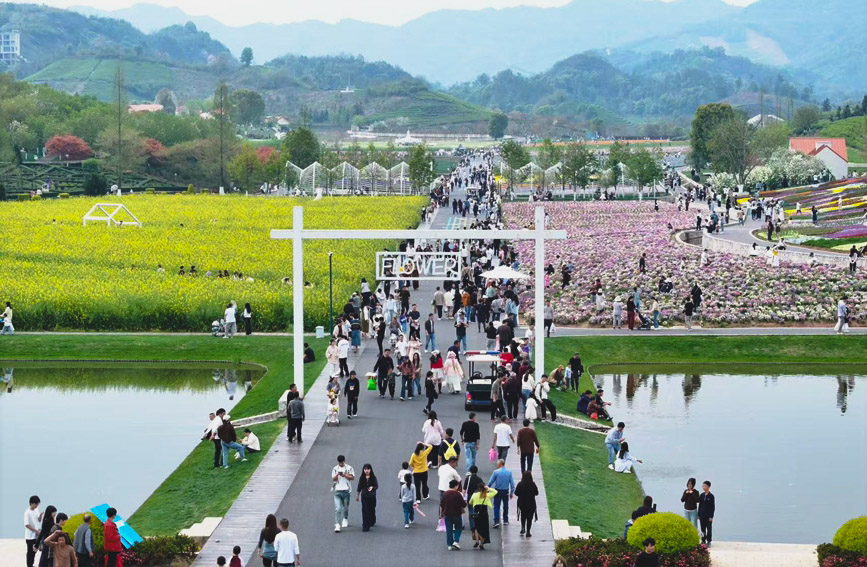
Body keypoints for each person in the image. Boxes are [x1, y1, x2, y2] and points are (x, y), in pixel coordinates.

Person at [440, 479, 467, 550]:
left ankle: (449, 545)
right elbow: (464, 505)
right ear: (456, 486)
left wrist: (441, 513)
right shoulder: (458, 494)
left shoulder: (445, 494)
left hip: (447, 514)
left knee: (449, 530)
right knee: (459, 527)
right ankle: (456, 541)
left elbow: (442, 504)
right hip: (457, 514)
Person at [469, 482, 496, 550]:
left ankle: (477, 541)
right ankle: (482, 544)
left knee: (476, 527)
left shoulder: (474, 495)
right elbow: (495, 492)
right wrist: (488, 488)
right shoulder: (486, 495)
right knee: (484, 528)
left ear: (478, 488)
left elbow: (470, 502)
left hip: (476, 513)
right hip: (484, 513)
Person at [488, 459, 514, 528]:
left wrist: (487, 488)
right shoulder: (509, 472)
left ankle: (496, 521)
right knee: (505, 505)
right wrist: (512, 492)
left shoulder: (496, 472)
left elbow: (491, 481)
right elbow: (512, 483)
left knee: (496, 506)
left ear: (499, 464)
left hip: (497, 491)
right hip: (505, 491)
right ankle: (505, 520)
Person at [332, 455, 355, 532]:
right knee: (338, 508)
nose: (340, 464)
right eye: (339, 462)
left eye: (341, 462)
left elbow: (352, 477)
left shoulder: (349, 468)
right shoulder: (335, 469)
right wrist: (338, 474)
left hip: (346, 490)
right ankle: (337, 524)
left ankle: (345, 519)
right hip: (337, 491)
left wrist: (344, 475)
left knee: (345, 507)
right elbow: (333, 479)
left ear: (344, 461)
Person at [514, 470, 539, 537]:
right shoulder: (533, 484)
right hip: (531, 504)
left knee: (523, 516)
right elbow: (536, 493)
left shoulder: (520, 484)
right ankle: (528, 532)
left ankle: (522, 528)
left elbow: (516, 493)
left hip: (522, 504)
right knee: (529, 518)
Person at [356, 464, 379, 532]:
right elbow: (359, 486)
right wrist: (357, 495)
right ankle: (365, 525)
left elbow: (376, 486)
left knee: (371, 509)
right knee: (365, 510)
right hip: (364, 496)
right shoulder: (362, 478)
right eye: (365, 469)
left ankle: (372, 520)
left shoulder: (373, 477)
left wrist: (372, 487)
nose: (366, 471)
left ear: (370, 470)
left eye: (368, 469)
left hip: (372, 496)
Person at [25, 495, 41, 567]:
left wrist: (40, 516)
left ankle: (32, 564)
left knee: (34, 551)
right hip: (30, 536)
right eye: (36, 504)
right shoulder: (27, 512)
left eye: (38, 504)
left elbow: (38, 520)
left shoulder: (36, 510)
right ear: (31, 503)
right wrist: (36, 531)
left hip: (36, 535)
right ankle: (29, 565)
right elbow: (27, 525)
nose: (37, 506)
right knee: (30, 552)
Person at [698, 481, 715, 546]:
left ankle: (709, 541)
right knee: (702, 529)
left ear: (708, 487)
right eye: (703, 486)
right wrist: (698, 514)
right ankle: (703, 540)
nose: (703, 487)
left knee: (709, 529)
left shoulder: (711, 496)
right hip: (702, 515)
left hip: (708, 516)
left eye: (705, 486)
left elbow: (712, 507)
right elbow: (700, 505)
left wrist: (711, 516)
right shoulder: (701, 495)